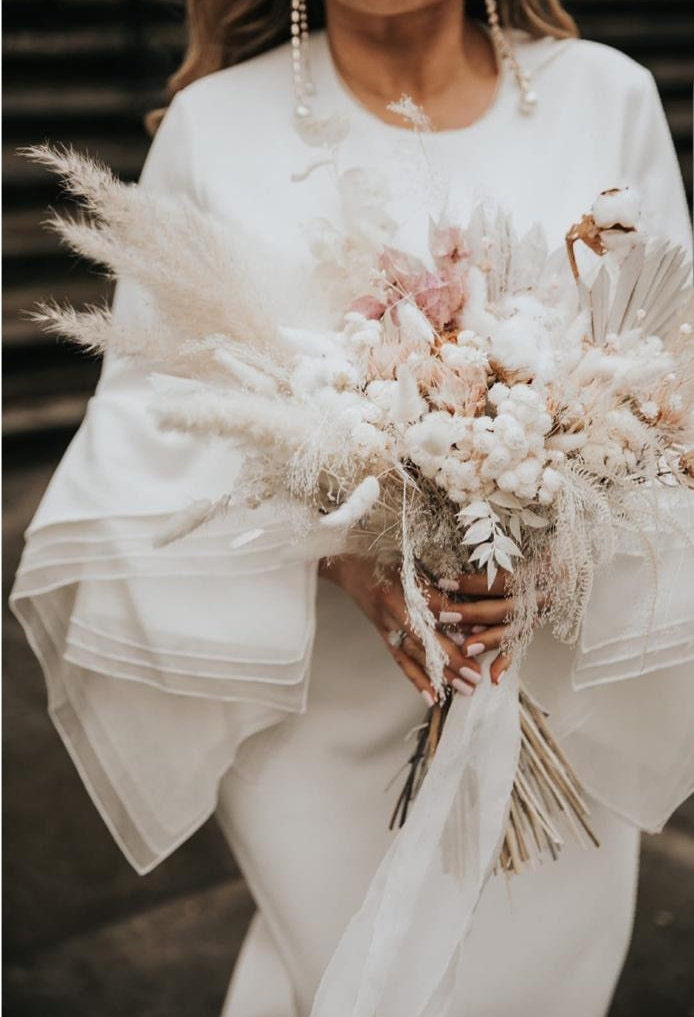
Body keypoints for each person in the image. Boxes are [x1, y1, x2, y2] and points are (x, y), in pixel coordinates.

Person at [11, 1, 693, 1014]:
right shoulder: (214, 127)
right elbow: (156, 418)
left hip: (543, 655)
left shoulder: (607, 95)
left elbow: (669, 365)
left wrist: (544, 548)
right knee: (345, 974)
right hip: (319, 685)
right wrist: (353, 558)